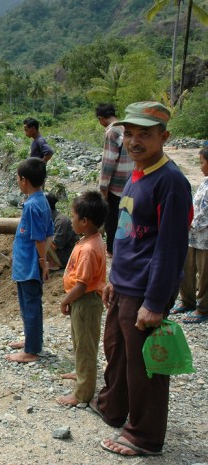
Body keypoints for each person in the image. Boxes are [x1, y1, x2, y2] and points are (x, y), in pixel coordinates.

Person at [93, 102, 192, 457]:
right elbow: (125, 232)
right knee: (117, 352)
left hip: (146, 287)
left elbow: (170, 248)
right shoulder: (137, 173)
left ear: (164, 137)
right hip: (124, 281)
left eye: (144, 134)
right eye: (129, 134)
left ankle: (144, 435)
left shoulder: (171, 182)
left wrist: (154, 302)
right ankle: (113, 407)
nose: (134, 141)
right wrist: (113, 277)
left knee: (145, 365)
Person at [56, 190, 108, 407]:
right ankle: (80, 373)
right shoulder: (90, 239)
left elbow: (83, 284)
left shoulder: (88, 249)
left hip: (86, 301)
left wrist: (65, 299)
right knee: (79, 341)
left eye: (74, 216)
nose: (71, 220)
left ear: (84, 221)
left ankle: (83, 394)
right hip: (81, 301)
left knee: (86, 346)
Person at [6, 157, 54, 363]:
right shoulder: (41, 201)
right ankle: (30, 339)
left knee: (31, 304)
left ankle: (32, 350)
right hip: (27, 262)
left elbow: (39, 238)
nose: (18, 182)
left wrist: (42, 261)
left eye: (18, 178)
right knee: (27, 304)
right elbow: (49, 234)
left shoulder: (33, 206)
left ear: (24, 180)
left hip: (29, 264)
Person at [173, 146, 208, 324]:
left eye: (202, 162)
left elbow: (205, 213)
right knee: (187, 268)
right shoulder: (204, 182)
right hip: (192, 234)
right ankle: (187, 300)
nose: (200, 167)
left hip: (204, 237)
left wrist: (192, 224)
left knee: (204, 273)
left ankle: (203, 308)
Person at [97, 103, 133, 257]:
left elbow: (108, 161)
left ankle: (112, 249)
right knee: (127, 214)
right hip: (130, 181)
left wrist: (103, 186)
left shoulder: (112, 131)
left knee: (112, 217)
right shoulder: (127, 128)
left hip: (116, 184)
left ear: (101, 119)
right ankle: (126, 245)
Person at [45, 192, 78, 271]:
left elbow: (55, 246)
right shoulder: (50, 218)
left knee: (39, 237)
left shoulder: (61, 221)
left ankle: (53, 264)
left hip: (66, 257)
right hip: (59, 254)